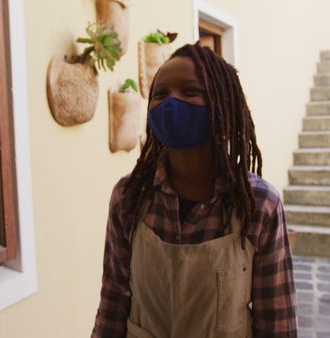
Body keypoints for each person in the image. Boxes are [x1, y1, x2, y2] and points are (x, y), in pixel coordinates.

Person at [91, 43, 297, 338]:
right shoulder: (129, 196)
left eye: (190, 91)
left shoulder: (258, 203)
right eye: (160, 94)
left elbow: (277, 323)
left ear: (223, 106)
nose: (171, 103)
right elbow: (112, 302)